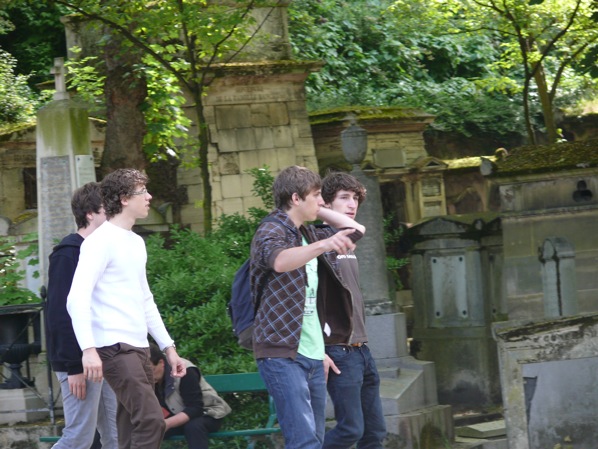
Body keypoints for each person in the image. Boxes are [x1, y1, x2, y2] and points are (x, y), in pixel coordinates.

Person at [67, 168, 186, 449]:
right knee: (151, 420)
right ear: (123, 198)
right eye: (142, 191)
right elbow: (76, 298)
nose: (149, 196)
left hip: (139, 347)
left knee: (130, 426)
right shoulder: (99, 242)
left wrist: (168, 348)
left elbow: (145, 299)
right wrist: (88, 350)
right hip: (114, 348)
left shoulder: (135, 242)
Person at [249, 165, 361, 449]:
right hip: (281, 352)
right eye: (317, 195)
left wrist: (317, 209)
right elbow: (280, 261)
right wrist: (324, 244)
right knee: (304, 442)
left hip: (313, 353)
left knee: (315, 441)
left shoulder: (308, 232)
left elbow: (355, 230)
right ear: (296, 198)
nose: (322, 201)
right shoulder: (271, 229)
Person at [45, 182, 118, 449]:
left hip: (103, 357)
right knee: (78, 438)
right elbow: (59, 314)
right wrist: (73, 366)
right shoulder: (68, 255)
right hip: (78, 362)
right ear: (90, 213)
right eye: (107, 209)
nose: (113, 215)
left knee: (116, 436)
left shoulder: (100, 251)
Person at [318, 172, 387, 449]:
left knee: (374, 433)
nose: (352, 204)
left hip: (361, 350)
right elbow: (306, 301)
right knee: (350, 430)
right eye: (344, 197)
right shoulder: (319, 241)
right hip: (337, 350)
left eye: (355, 198)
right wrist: (319, 350)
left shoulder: (346, 242)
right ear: (325, 203)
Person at [148, 343, 231, 449]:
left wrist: (166, 424)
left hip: (207, 413)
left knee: (193, 426)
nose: (147, 376)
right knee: (145, 431)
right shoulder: (143, 376)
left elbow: (195, 408)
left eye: (151, 370)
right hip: (176, 416)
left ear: (161, 362)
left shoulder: (184, 370)